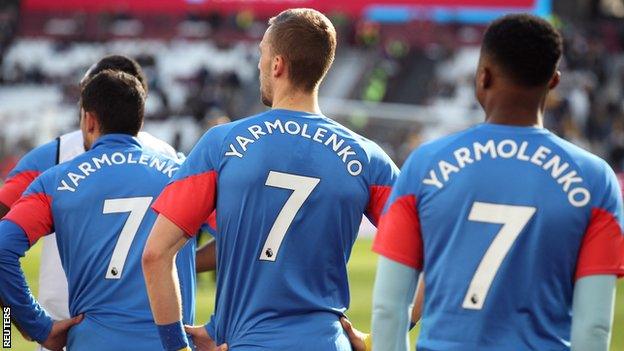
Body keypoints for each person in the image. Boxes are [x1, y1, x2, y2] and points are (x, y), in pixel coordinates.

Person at [142, 8, 398, 351]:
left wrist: (178, 347)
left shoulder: (222, 145)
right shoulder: (367, 157)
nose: (259, 65)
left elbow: (155, 254)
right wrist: (379, 339)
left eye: (262, 54)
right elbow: (432, 254)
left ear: (277, 64)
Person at [371, 14, 623, 351]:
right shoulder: (596, 180)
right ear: (553, 81)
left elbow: (389, 308)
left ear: (483, 76)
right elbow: (593, 327)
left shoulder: (424, 164)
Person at [0, 54, 215, 351]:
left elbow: (2, 246)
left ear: (88, 115)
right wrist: (218, 326)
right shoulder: (178, 167)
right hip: (165, 340)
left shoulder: (51, 167)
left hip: (73, 332)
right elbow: (246, 239)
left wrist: (23, 322)